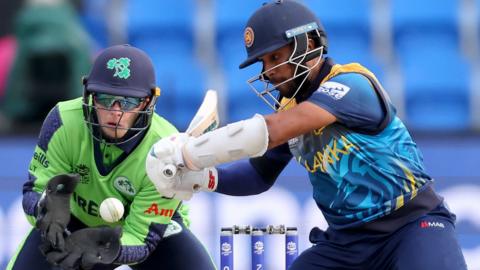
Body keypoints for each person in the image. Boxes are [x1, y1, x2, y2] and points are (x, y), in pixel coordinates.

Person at [145, 1, 468, 269]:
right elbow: (258, 176)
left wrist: (190, 153)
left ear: (309, 44)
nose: (269, 72)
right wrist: (206, 179)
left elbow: (275, 130)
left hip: (412, 225)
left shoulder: (353, 84)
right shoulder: (289, 106)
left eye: (275, 57)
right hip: (346, 242)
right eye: (263, 62)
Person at [8, 44, 216, 270]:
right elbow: (33, 192)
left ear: (147, 102)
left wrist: (103, 248)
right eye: (106, 99)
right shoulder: (63, 121)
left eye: (128, 101)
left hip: (150, 233)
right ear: (90, 95)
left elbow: (142, 240)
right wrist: (45, 209)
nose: (116, 112)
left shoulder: (167, 147)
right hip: (73, 224)